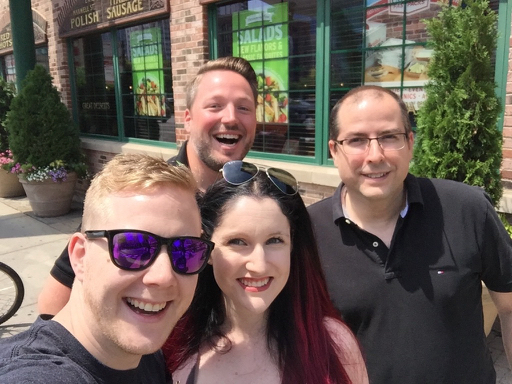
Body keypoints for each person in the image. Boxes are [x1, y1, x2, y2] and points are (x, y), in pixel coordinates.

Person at [308, 85, 512, 383]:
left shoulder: (466, 209)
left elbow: (509, 305)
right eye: (356, 141)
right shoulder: (307, 233)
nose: (375, 155)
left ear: (411, 143)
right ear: (334, 151)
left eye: (390, 137)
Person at [37, 56, 258, 315]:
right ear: (187, 118)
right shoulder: (140, 194)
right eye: (215, 106)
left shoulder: (261, 199)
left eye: (244, 108)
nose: (231, 118)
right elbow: (55, 300)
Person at [0, 153, 214, 383]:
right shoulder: (37, 375)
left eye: (186, 250)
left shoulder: (144, 352)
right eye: (134, 248)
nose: (163, 276)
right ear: (80, 255)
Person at [163, 160, 369, 384]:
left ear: (293, 246)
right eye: (238, 241)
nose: (259, 265)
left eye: (274, 240)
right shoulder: (171, 342)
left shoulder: (333, 344)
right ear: (208, 248)